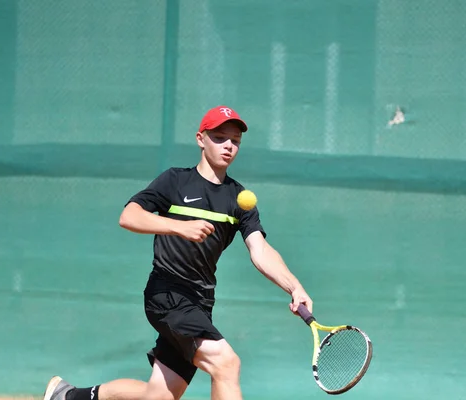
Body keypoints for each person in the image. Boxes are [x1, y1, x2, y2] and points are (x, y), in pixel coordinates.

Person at [42, 105, 314, 400]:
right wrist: (178, 227)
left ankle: (68, 396)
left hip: (200, 302)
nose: (228, 146)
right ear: (201, 139)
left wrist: (294, 286)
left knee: (157, 395)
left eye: (234, 140)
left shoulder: (239, 198)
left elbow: (260, 250)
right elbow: (129, 216)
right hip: (168, 294)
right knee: (226, 363)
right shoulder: (175, 181)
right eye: (220, 137)